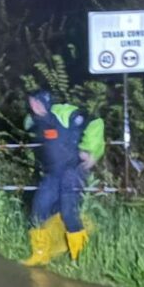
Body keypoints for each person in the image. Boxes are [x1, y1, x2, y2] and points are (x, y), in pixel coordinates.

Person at [21, 90, 105, 266]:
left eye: (37, 102)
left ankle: (79, 258)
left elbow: (95, 122)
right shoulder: (34, 121)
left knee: (68, 213)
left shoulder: (63, 113)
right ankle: (41, 254)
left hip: (73, 172)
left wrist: (90, 150)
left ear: (46, 101)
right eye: (31, 103)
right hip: (52, 174)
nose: (34, 106)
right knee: (38, 211)